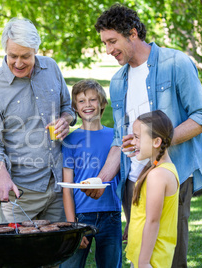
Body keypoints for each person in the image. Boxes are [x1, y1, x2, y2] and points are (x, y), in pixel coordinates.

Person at [93, 4, 202, 267]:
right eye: (104, 43)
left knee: (170, 257)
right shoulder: (117, 81)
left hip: (172, 177)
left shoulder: (175, 63)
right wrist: (101, 180)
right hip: (133, 182)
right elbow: (120, 139)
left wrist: (158, 140)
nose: (108, 49)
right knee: (140, 255)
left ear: (132, 33)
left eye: (112, 41)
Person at [0, 18, 75, 223]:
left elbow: (68, 108)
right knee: (18, 254)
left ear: (36, 50)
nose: (19, 62)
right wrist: (1, 176)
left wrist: (66, 120)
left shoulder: (51, 68)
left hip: (59, 185)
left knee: (58, 251)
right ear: (5, 48)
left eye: (26, 56)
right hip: (21, 192)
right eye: (13, 55)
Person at [59, 80, 122, 268]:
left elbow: (125, 181)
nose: (87, 105)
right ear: (74, 108)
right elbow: (67, 189)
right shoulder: (69, 140)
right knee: (70, 265)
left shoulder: (116, 137)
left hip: (111, 214)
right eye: (81, 101)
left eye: (93, 100)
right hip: (80, 217)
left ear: (103, 104)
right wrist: (72, 227)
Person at [126, 110, 179, 268]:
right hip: (144, 256)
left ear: (156, 142)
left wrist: (143, 262)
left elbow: (153, 221)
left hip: (151, 260)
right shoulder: (157, 169)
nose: (133, 142)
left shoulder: (158, 175)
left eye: (137, 137)